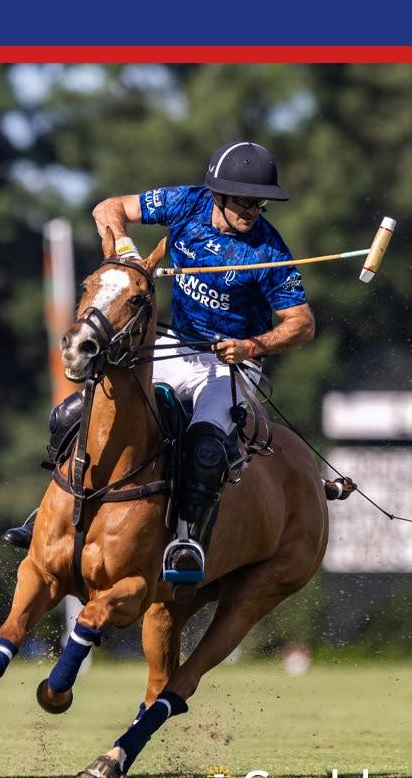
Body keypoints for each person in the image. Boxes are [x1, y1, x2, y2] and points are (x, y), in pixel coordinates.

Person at [88, 141, 315, 584]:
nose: (252, 211)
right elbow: (107, 208)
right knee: (90, 409)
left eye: (260, 203)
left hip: (231, 363)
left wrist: (251, 346)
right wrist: (127, 249)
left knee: (206, 444)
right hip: (175, 345)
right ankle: (61, 509)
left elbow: (302, 324)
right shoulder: (185, 202)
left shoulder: (269, 250)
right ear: (219, 195)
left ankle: (186, 540)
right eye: (244, 201)